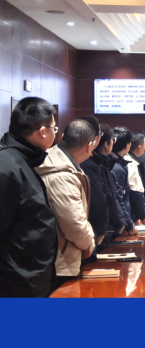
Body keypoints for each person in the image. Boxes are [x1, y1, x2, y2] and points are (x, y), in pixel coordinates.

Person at [0, 97, 57, 297]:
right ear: (43, 131)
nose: (55, 133)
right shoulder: (7, 167)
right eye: (54, 128)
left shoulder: (23, 161)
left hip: (32, 281)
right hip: (16, 285)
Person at [36, 120, 96, 285]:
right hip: (59, 262)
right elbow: (74, 226)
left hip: (57, 258)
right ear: (89, 146)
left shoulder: (62, 164)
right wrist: (90, 243)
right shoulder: (62, 175)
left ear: (62, 136)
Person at [79, 116, 123, 251]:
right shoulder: (91, 164)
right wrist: (103, 230)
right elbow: (103, 199)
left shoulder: (100, 162)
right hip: (93, 230)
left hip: (96, 228)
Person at [94, 124, 129, 241]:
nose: (114, 143)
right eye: (112, 140)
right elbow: (111, 198)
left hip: (107, 224)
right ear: (105, 144)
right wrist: (120, 222)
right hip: (105, 227)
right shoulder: (101, 165)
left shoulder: (106, 162)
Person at [109, 127, 137, 236]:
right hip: (115, 225)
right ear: (127, 145)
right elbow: (118, 199)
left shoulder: (116, 162)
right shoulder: (117, 167)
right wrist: (130, 225)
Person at [124, 133, 145, 225]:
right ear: (139, 148)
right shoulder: (130, 162)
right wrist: (142, 216)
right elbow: (136, 192)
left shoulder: (126, 159)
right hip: (129, 212)